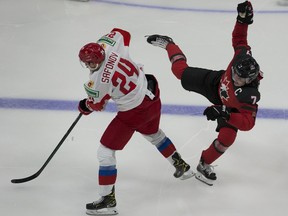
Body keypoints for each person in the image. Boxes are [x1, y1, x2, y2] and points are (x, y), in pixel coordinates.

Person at [78, 28, 194, 215]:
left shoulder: (96, 81)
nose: (88, 65)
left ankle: (108, 201)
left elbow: (97, 105)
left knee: (105, 152)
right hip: (151, 94)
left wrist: (84, 106)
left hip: (134, 111)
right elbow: (122, 32)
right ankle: (181, 165)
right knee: (153, 134)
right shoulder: (111, 49)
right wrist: (104, 42)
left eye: (90, 62)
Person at [146, 1, 263, 186]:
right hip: (215, 82)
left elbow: (248, 123)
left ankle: (204, 163)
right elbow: (240, 39)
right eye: (234, 74)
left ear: (249, 80)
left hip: (230, 108)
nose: (235, 78)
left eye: (240, 79)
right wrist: (242, 20)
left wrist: (225, 113)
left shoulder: (249, 94)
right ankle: (169, 43)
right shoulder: (241, 58)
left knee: (226, 139)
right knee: (180, 72)